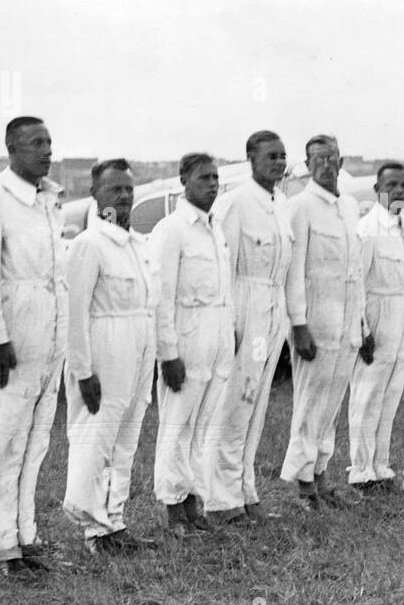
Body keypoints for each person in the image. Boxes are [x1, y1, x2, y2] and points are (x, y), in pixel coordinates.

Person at [0, 116, 66, 578]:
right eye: (34, 144)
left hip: (49, 333)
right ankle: (1, 545)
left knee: (35, 437)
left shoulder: (49, 201)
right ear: (10, 149)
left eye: (48, 143)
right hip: (12, 335)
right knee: (3, 437)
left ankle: (25, 535)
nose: (45, 151)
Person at [63, 159, 157, 553]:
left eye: (129, 189)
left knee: (126, 437)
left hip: (138, 343)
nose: (123, 196)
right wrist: (83, 370)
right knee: (97, 436)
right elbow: (75, 311)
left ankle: (114, 520)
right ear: (95, 194)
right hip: (105, 344)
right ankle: (93, 529)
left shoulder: (138, 245)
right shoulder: (88, 244)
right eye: (115, 189)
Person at [211, 130, 293, 524]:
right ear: (250, 158)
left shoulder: (281, 203)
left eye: (282, 157)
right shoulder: (235, 203)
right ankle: (220, 499)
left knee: (256, 401)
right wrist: (229, 324)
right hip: (246, 307)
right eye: (270, 156)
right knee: (234, 402)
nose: (277, 163)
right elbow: (221, 269)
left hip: (272, 309)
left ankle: (245, 490)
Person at [282, 135, 366, 509]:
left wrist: (360, 324)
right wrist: (298, 324)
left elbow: (355, 270)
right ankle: (303, 486)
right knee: (310, 404)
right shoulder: (299, 206)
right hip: (315, 320)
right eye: (317, 159)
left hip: (346, 323)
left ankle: (321, 476)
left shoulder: (348, 206)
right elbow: (294, 270)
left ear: (341, 159)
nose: (325, 164)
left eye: (331, 157)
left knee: (331, 405)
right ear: (306, 164)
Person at [151, 153, 233, 534]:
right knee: (177, 426)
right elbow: (161, 297)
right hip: (186, 339)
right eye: (203, 178)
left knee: (203, 426)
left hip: (215, 339)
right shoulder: (172, 229)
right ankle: (172, 508)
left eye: (216, 178)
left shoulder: (215, 229)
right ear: (184, 180)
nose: (212, 185)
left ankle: (194, 505)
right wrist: (168, 354)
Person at [347, 162, 404, 491]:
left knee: (390, 394)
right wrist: (362, 330)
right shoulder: (367, 228)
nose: (399, 191)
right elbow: (356, 282)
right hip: (376, 314)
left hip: (402, 316)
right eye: (392, 186)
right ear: (377, 190)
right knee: (366, 394)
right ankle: (360, 469)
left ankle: (380, 464)